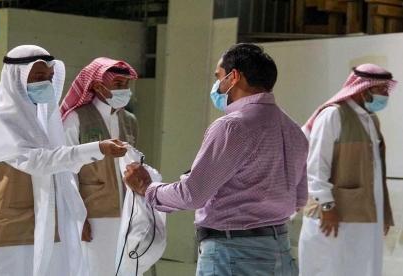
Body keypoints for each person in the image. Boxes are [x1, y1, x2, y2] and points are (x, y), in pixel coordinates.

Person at [124, 43, 308, 276]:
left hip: (232, 253)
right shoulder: (294, 130)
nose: (216, 86)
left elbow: (193, 195)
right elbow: (299, 199)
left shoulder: (232, 126)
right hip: (279, 249)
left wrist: (147, 188)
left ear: (234, 77)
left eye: (218, 77)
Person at [0, 45, 127, 276]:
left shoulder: (41, 121)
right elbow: (38, 161)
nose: (46, 84)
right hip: (2, 227)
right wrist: (97, 148)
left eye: (49, 78)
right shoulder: (1, 119)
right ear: (16, 77)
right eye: (38, 77)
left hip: (37, 222)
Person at [299, 64, 397, 276]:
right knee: (329, 269)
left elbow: (377, 172)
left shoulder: (371, 119)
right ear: (364, 90)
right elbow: (316, 166)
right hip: (332, 217)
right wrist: (327, 206)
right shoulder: (333, 115)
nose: (386, 94)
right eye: (382, 89)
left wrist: (384, 213)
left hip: (366, 218)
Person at [60, 57, 139, 276]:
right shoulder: (76, 118)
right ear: (97, 86)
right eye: (118, 84)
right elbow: (65, 169)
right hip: (93, 214)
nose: (124, 90)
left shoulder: (129, 120)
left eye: (126, 84)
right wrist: (77, 216)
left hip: (127, 213)